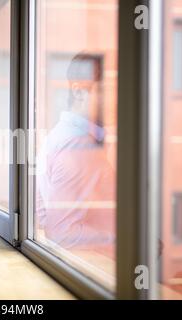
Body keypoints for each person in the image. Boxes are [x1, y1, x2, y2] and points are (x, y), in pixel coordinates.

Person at [35, 53, 115, 256]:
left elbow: (41, 212)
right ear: (79, 92)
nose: (115, 98)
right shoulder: (77, 145)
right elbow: (61, 232)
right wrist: (127, 240)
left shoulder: (58, 136)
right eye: (106, 89)